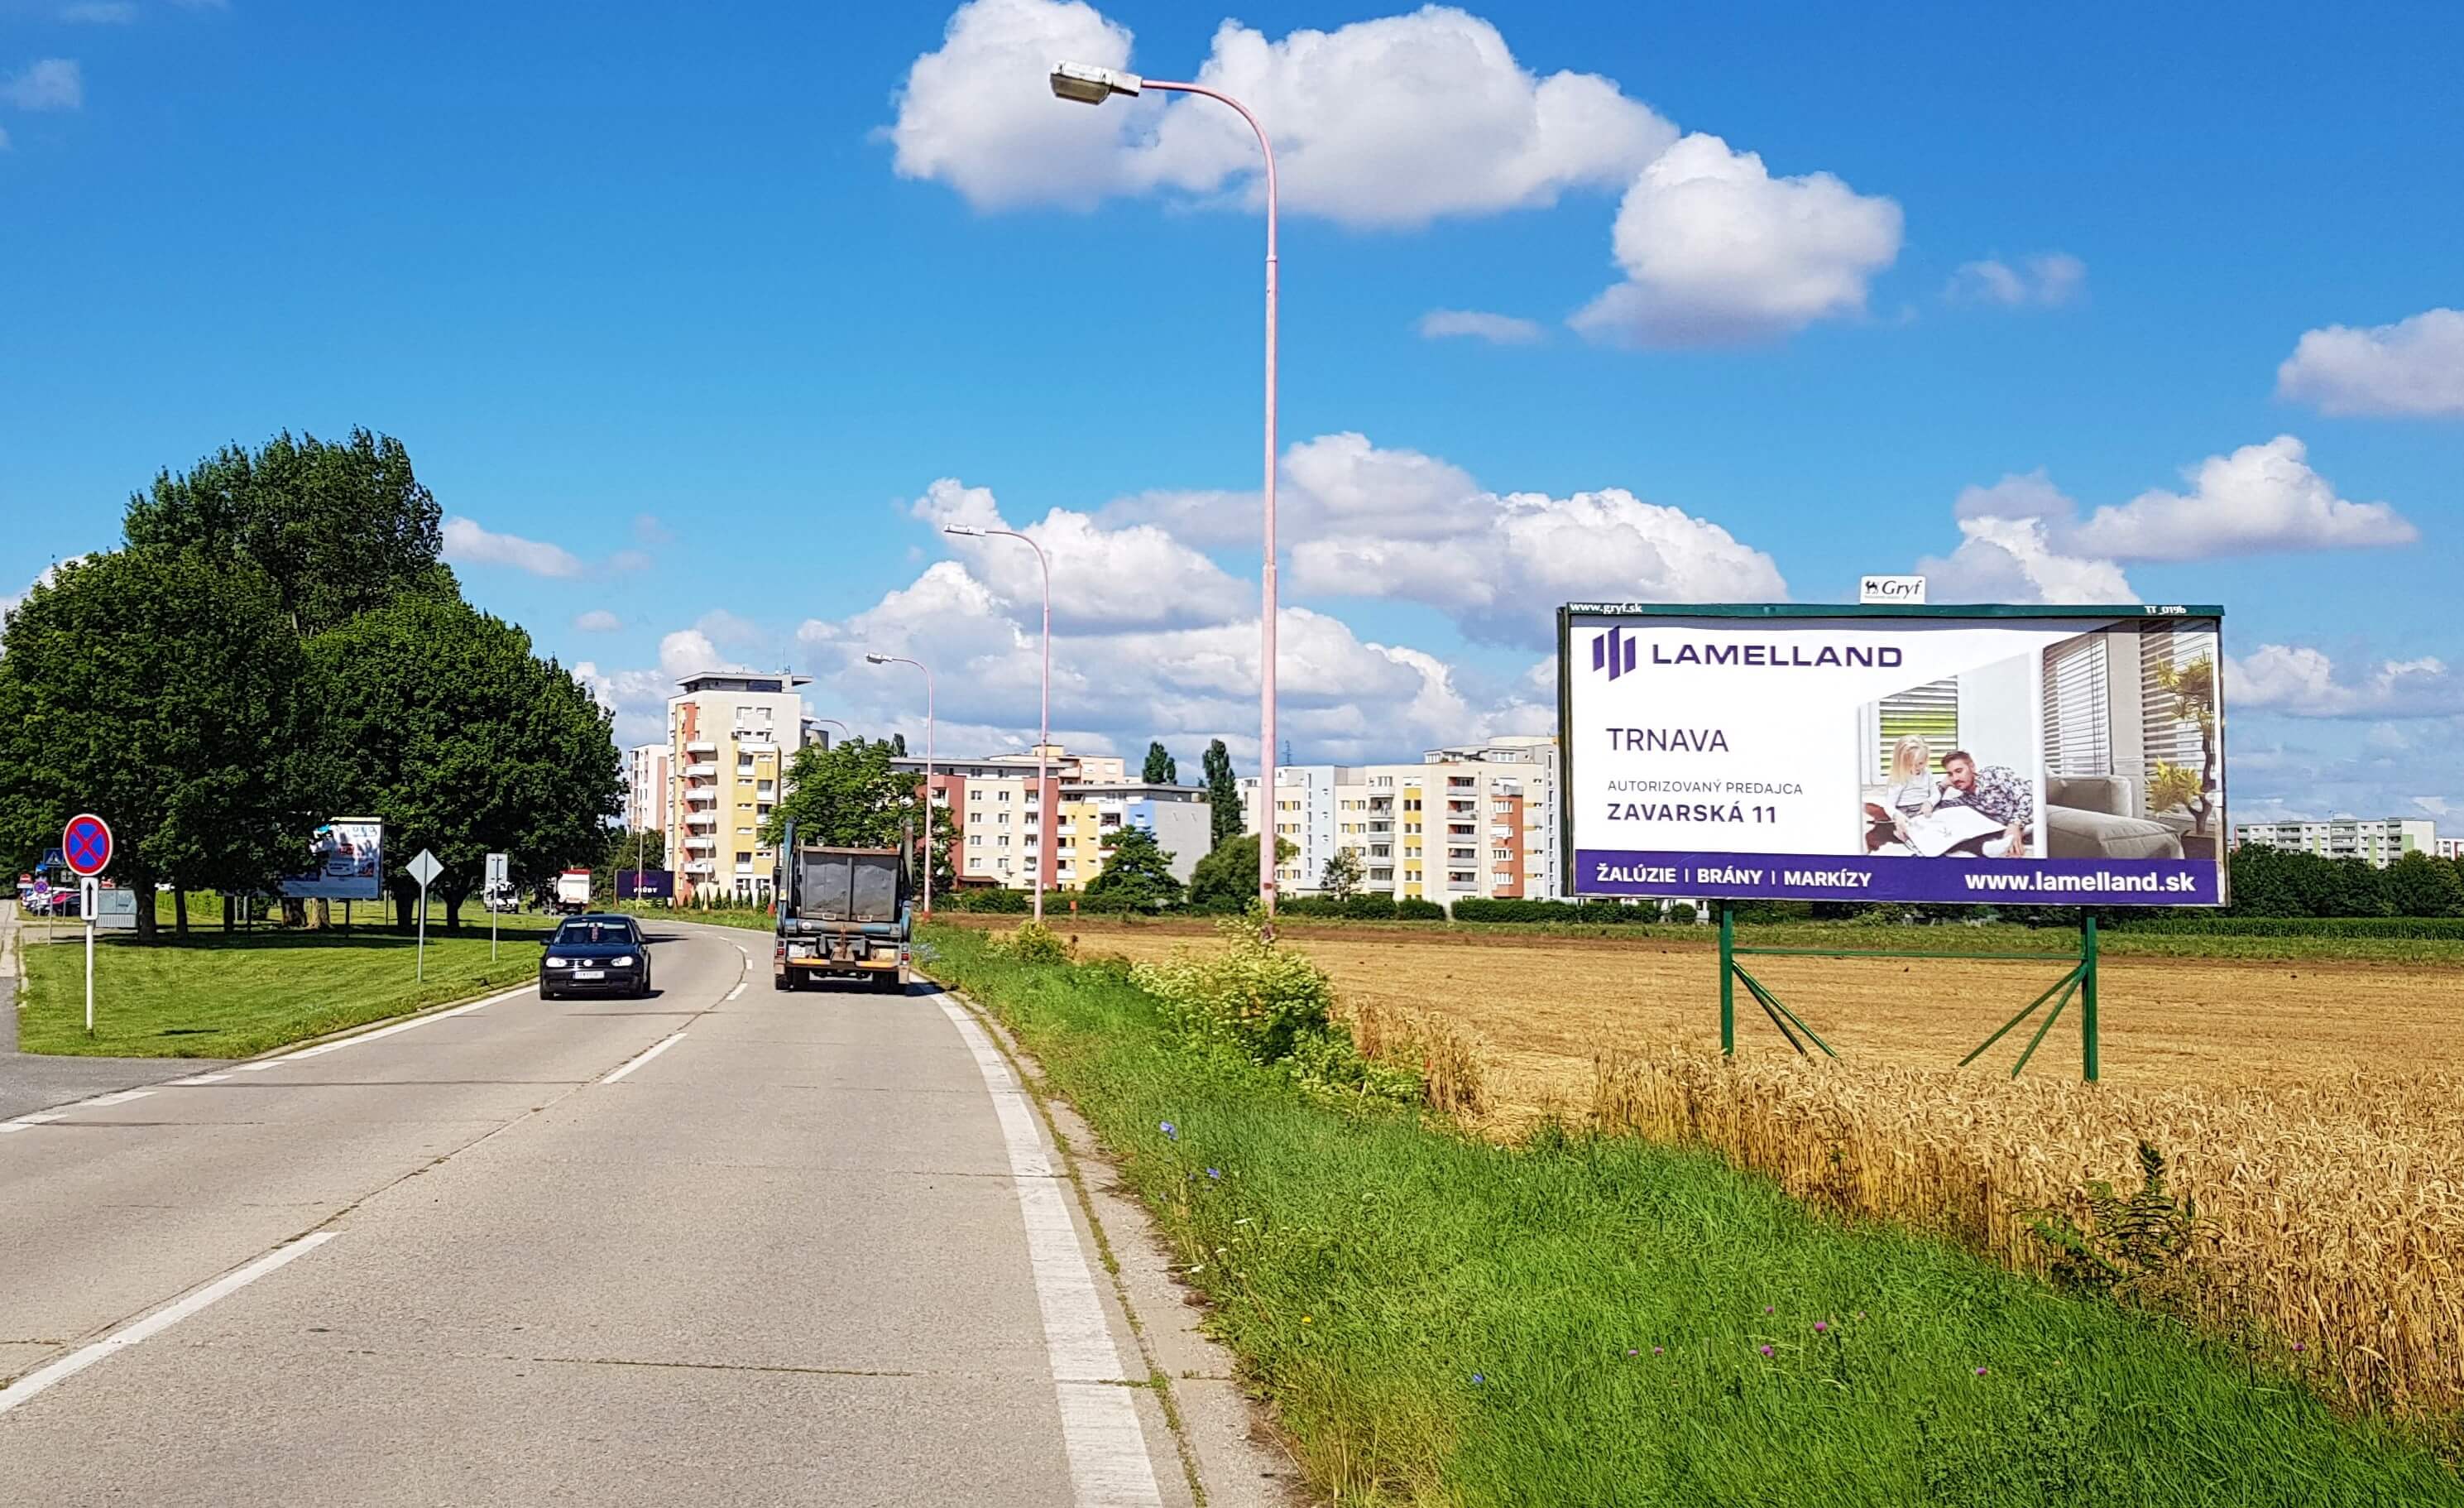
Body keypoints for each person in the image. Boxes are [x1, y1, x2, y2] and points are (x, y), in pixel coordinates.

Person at [1939, 749, 2033, 857]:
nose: (1955, 778)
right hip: (2001, 830)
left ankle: (2026, 830)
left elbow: (2026, 796)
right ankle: (1989, 848)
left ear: (1972, 767)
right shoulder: (1963, 799)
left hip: (2026, 817)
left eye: (1959, 771)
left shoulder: (1993, 774)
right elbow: (1937, 811)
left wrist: (2015, 824)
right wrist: (1942, 786)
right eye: (1950, 774)